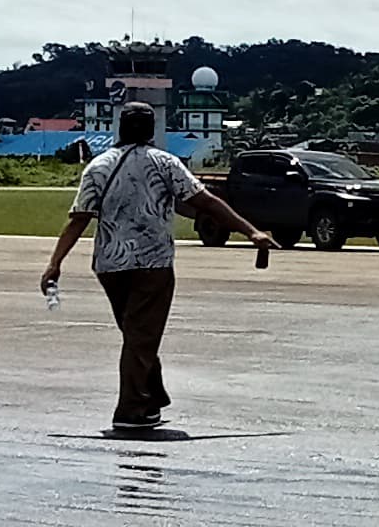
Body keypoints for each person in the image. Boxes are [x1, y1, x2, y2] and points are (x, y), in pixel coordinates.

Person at [38, 105, 274, 435]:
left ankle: (151, 400)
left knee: (137, 334)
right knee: (140, 337)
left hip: (110, 265)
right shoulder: (165, 163)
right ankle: (131, 410)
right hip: (152, 264)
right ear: (151, 130)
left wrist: (55, 263)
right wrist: (250, 230)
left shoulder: (98, 166)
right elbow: (205, 201)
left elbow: (78, 218)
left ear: (120, 128)